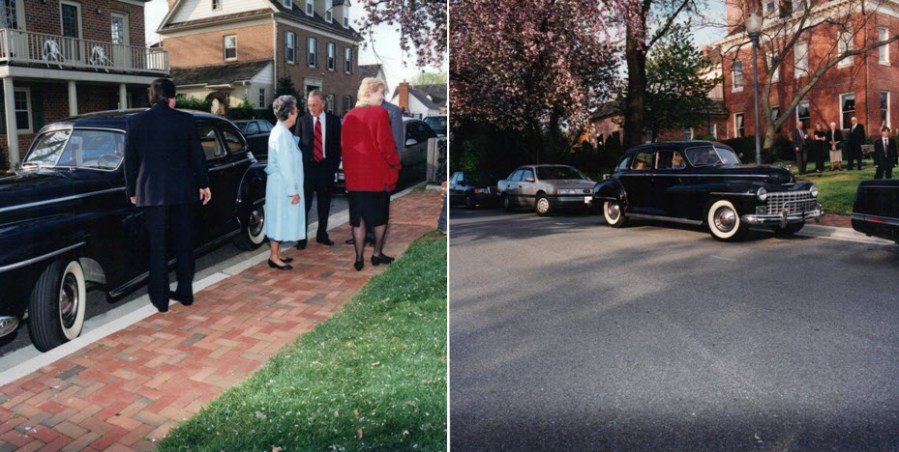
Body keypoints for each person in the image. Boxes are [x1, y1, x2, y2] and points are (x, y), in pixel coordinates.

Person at [124, 78, 211, 313]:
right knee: (184, 245)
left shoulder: (135, 122)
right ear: (172, 98)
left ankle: (160, 300)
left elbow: (130, 162)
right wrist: (204, 184)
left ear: (152, 98)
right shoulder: (186, 121)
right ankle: (185, 292)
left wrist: (132, 191)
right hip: (183, 193)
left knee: (157, 247)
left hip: (151, 194)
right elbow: (197, 156)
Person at [341, 77, 401, 271]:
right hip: (377, 177)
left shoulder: (349, 116)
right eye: (380, 93)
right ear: (370, 93)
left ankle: (358, 258)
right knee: (380, 218)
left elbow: (345, 148)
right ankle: (376, 254)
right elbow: (385, 144)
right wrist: (395, 163)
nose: (382, 97)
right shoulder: (380, 113)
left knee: (358, 219)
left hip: (355, 178)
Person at [295, 90, 341, 249]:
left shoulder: (334, 122)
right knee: (305, 205)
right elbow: (297, 148)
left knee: (324, 203)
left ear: (323, 104)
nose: (311, 108)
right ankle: (302, 237)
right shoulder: (302, 121)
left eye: (314, 105)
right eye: (308, 105)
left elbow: (337, 147)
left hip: (325, 168)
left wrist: (333, 167)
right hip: (307, 170)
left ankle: (322, 234)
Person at [264, 95, 305, 271]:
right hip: (281, 186)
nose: (297, 114)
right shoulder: (280, 134)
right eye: (295, 111)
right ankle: (274, 256)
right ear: (289, 113)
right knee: (278, 218)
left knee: (281, 217)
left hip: (281, 184)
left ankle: (277, 253)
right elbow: (286, 165)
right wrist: (293, 190)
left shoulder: (282, 132)